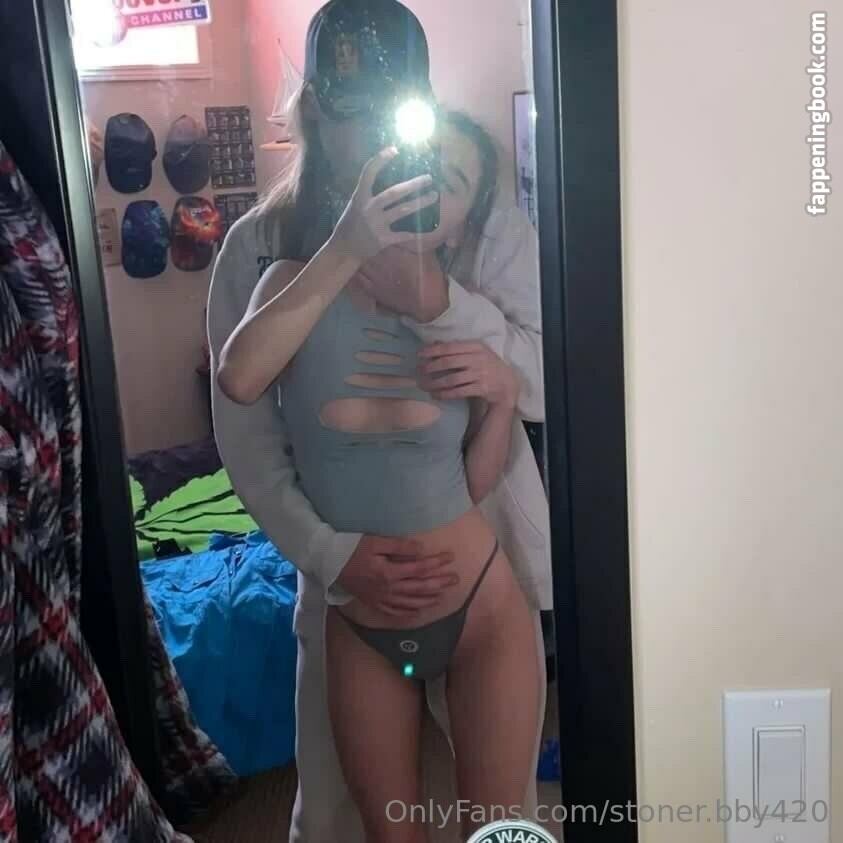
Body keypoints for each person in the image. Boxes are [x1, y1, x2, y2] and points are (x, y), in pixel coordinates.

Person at [206, 1, 551, 840]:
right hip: (343, 581)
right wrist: (332, 557)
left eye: (387, 110)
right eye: (345, 111)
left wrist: (443, 304)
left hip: (482, 559)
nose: (366, 136)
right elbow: (243, 430)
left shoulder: (472, 215)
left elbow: (544, 380)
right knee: (339, 820)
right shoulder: (262, 246)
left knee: (499, 817)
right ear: (313, 111)